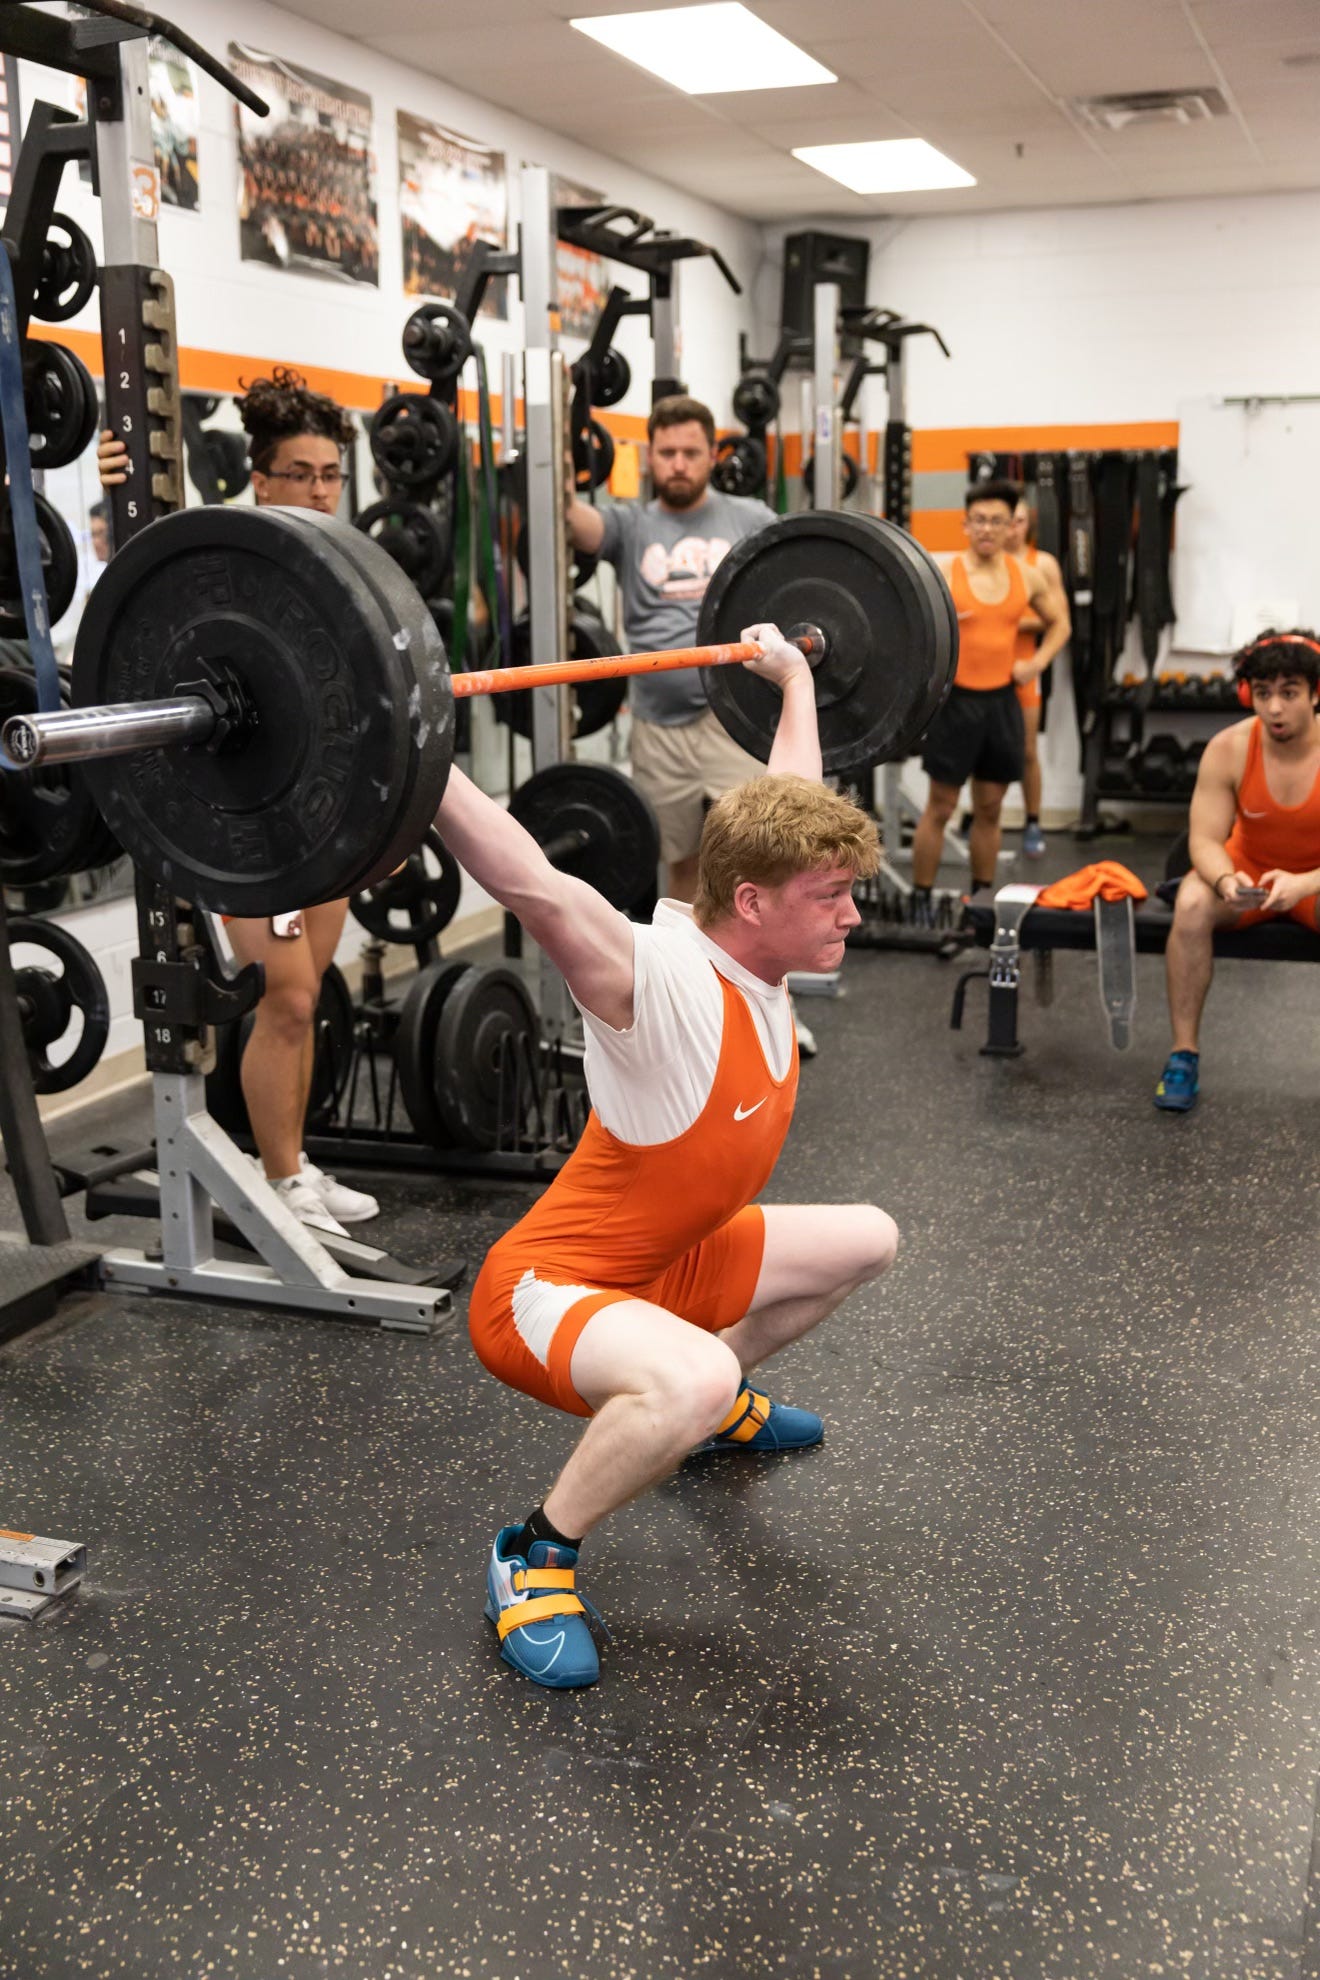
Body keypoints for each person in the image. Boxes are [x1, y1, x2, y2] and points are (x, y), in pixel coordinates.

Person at [434, 625, 897, 1689]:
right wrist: (418, 760)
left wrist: (794, 681)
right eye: (832, 899)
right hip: (547, 1294)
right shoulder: (655, 982)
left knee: (869, 1239)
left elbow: (792, 801)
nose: (851, 914)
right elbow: (533, 882)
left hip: (668, 1260)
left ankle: (710, 1405)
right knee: (692, 1372)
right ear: (752, 904)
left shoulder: (766, 929)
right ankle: (537, 1554)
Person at [97, 369, 377, 1232]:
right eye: (304, 473)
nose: (323, 488)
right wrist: (130, 486)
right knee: (287, 997)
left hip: (322, 809)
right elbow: (164, 581)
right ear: (262, 478)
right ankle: (286, 1180)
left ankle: (288, 1161)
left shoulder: (338, 561)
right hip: (247, 819)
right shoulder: (240, 554)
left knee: (309, 991)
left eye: (332, 473)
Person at [568, 393, 819, 1055]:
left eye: (690, 452)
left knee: (762, 866)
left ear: (714, 455)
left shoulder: (752, 517)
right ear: (649, 456)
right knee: (678, 867)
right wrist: (556, 462)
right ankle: (692, 1002)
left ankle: (774, 1008)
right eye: (666, 453)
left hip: (732, 721)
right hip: (657, 724)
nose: (678, 464)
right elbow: (576, 526)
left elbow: (800, 585)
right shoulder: (629, 524)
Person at [1155, 629, 1320, 1113]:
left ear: (1316, 694)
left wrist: (1305, 883)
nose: (1273, 708)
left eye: (1289, 693)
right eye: (1263, 693)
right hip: (1248, 877)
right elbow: (1204, 840)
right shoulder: (1228, 748)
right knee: (1189, 903)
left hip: (1313, 880)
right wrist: (1227, 880)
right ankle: (1183, 1055)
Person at [911, 480, 1070, 906]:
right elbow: (914, 627)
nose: (987, 528)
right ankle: (921, 900)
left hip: (1001, 702)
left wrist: (1036, 663)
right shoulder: (945, 573)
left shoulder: (1027, 575)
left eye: (997, 520)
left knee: (990, 810)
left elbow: (1061, 624)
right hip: (956, 701)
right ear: (965, 524)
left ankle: (981, 901)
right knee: (941, 808)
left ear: (1011, 526)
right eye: (979, 520)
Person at [1005, 494, 1067, 858]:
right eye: (1006, 521)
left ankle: (1032, 821)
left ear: (1028, 525)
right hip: (986, 669)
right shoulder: (985, 564)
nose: (1011, 529)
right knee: (980, 751)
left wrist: (1037, 663)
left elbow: (1058, 620)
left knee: (1028, 750)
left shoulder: (1041, 564)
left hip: (1025, 664)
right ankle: (979, 820)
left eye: (1018, 522)